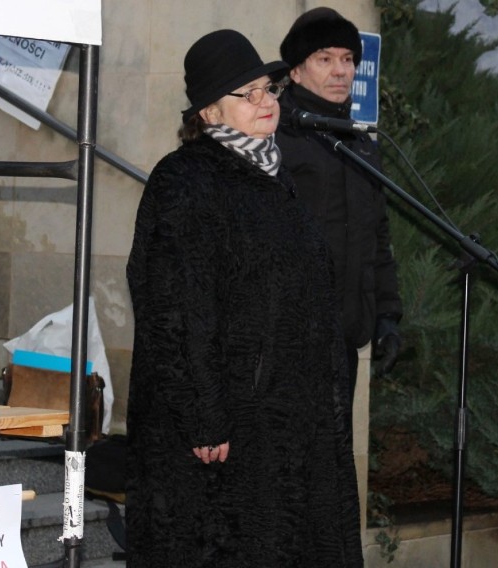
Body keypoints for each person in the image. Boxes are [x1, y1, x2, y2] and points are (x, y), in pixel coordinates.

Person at [126, 29, 363, 568]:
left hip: (287, 422)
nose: (265, 102)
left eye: (268, 89)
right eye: (247, 93)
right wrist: (203, 415)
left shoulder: (275, 175)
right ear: (208, 114)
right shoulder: (185, 178)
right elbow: (174, 307)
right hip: (229, 431)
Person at [277, 7, 403, 392]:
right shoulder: (275, 138)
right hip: (283, 342)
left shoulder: (361, 146)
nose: (340, 71)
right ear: (296, 71)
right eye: (325, 59)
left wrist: (387, 315)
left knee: (335, 453)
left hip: (344, 338)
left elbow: (377, 238)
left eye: (348, 59)